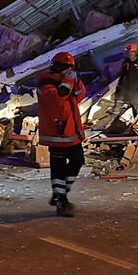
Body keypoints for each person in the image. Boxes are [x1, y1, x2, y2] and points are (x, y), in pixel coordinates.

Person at [36, 52, 86, 217]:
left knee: (78, 161)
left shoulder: (66, 81)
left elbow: (79, 96)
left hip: (71, 131)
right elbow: (58, 100)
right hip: (56, 132)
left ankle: (59, 194)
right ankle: (61, 201)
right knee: (58, 167)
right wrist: (68, 80)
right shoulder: (46, 83)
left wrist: (75, 80)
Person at [115, 43, 138, 119]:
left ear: (135, 52)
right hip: (126, 90)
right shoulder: (126, 63)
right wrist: (119, 87)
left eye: (132, 52)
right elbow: (122, 76)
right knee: (118, 107)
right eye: (128, 52)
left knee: (136, 108)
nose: (130, 54)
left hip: (137, 89)